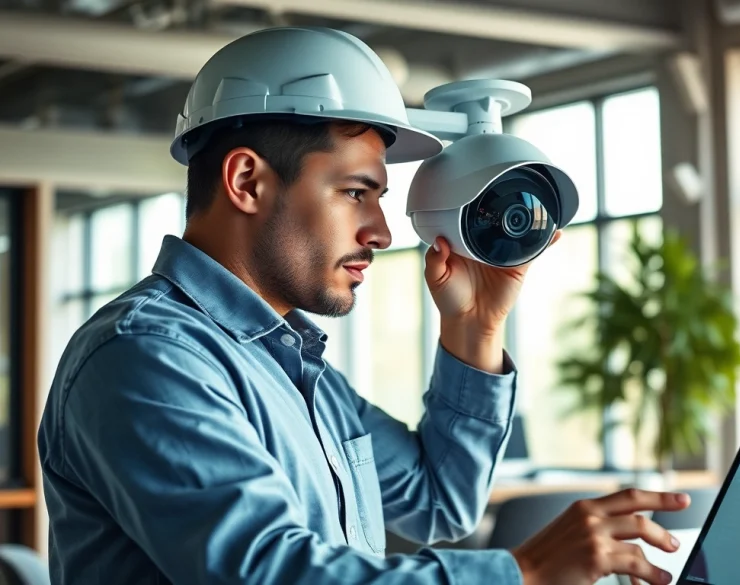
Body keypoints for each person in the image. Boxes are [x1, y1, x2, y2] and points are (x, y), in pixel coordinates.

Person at [37, 26, 690, 585]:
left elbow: (438, 503)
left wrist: (474, 326)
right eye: (356, 192)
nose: (380, 231)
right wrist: (525, 571)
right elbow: (271, 573)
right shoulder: (145, 358)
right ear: (246, 181)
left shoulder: (289, 363)